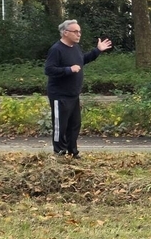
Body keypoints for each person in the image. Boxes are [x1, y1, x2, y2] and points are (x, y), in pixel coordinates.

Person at [44, 19, 113, 159]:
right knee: (61, 127)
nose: (79, 34)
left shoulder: (75, 47)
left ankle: (72, 152)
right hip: (60, 95)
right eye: (75, 31)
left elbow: (82, 60)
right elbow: (49, 70)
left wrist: (97, 51)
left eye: (79, 31)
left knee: (74, 125)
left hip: (73, 95)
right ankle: (60, 154)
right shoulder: (56, 49)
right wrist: (68, 70)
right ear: (65, 33)